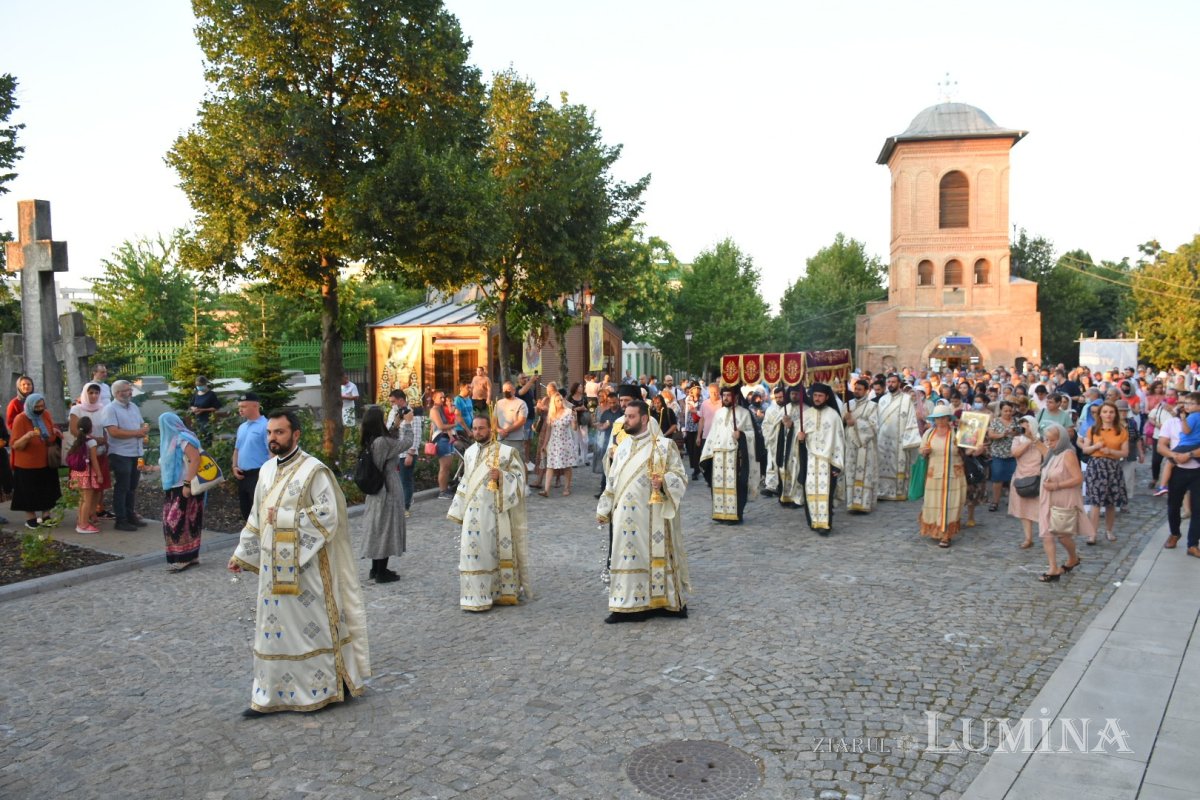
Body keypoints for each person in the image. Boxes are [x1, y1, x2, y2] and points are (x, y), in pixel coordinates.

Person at [228, 410, 369, 717]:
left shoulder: (314, 471)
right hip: (271, 570)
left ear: (296, 435)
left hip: (307, 570)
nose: (272, 439)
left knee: (311, 628)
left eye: (279, 432)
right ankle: (271, 694)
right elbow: (256, 516)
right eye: (269, 433)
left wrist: (284, 518)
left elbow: (328, 515)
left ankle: (326, 687)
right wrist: (243, 552)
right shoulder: (265, 471)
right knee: (273, 629)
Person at [596, 399, 690, 623]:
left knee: (655, 556)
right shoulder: (623, 446)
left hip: (652, 514)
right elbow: (613, 480)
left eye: (631, 417)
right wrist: (604, 506)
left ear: (644, 419)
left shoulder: (664, 446)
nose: (626, 421)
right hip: (624, 518)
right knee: (625, 558)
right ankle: (624, 605)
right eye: (626, 416)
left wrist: (664, 483)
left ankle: (662, 602)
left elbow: (680, 476)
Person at [448, 414, 531, 611]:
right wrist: (458, 509)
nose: (477, 432)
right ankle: (473, 596)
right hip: (472, 514)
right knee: (472, 553)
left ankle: (497, 592)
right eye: (474, 428)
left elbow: (520, 479)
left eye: (481, 428)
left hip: (495, 512)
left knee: (490, 552)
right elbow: (465, 482)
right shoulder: (468, 453)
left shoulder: (506, 453)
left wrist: (502, 476)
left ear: (490, 429)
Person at [359, 405, 411, 583]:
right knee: (386, 528)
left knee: (378, 526)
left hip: (376, 490)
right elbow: (405, 443)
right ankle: (381, 572)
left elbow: (389, 442)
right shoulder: (382, 442)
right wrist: (408, 424)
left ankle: (376, 569)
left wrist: (396, 425)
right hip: (387, 487)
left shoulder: (372, 439)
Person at [1036, 423, 1093, 582]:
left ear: (1061, 439)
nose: (1049, 443)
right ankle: (1053, 568)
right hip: (1048, 498)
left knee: (1062, 536)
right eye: (1047, 440)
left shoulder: (1068, 453)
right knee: (1046, 534)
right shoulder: (1052, 453)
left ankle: (1073, 558)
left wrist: (1056, 485)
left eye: (1052, 440)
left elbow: (1078, 478)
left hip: (1063, 498)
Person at [699, 385, 756, 524]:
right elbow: (713, 433)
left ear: (735, 397)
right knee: (718, 484)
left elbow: (752, 434)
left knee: (736, 485)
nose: (725, 398)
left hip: (735, 455)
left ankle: (735, 514)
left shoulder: (744, 413)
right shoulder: (718, 413)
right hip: (718, 455)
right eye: (723, 395)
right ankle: (720, 513)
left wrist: (741, 435)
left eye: (728, 395)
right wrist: (707, 453)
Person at [101, 380, 151, 531]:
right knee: (122, 486)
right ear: (117, 393)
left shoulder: (133, 406)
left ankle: (130, 515)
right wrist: (137, 433)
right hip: (120, 453)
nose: (130, 392)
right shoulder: (110, 409)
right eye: (127, 390)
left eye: (130, 390)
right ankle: (120, 519)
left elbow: (142, 425)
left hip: (136, 452)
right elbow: (114, 432)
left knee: (132, 485)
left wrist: (144, 430)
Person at [158, 412, 204, 572]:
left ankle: (185, 557)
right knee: (175, 522)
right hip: (173, 487)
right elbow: (169, 465)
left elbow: (195, 459)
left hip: (186, 486)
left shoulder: (183, 438)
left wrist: (187, 484)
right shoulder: (169, 441)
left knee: (179, 522)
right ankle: (188, 556)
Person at [10, 393, 63, 529]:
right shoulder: (20, 419)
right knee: (28, 491)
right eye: (37, 407)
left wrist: (55, 432)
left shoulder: (45, 414)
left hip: (46, 460)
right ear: (30, 406)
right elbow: (15, 445)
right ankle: (31, 517)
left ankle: (46, 515)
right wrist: (27, 436)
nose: (39, 409)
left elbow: (50, 433)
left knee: (47, 489)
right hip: (27, 463)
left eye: (42, 406)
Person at [797, 383, 845, 533]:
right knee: (810, 491)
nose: (817, 399)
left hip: (828, 461)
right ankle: (813, 521)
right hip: (810, 460)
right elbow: (799, 440)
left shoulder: (833, 415)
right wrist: (800, 438)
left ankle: (825, 524)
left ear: (827, 397)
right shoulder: (806, 414)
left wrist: (837, 464)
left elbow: (839, 440)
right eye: (815, 395)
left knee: (826, 495)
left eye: (820, 396)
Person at [917, 405, 967, 548]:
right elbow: (922, 450)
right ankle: (936, 530)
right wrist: (925, 451)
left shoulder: (957, 432)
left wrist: (977, 447)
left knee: (951, 505)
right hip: (934, 476)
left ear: (948, 419)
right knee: (933, 504)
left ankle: (946, 535)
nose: (940, 420)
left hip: (954, 476)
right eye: (937, 418)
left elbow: (968, 451)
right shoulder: (929, 433)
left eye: (943, 417)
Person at [1079, 401, 1128, 544]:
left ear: (1115, 414)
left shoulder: (1121, 431)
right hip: (1096, 466)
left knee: (1111, 501)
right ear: (1100, 414)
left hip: (1113, 466)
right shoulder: (1093, 429)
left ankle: (1109, 530)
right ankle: (1092, 533)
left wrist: (1111, 451)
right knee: (1095, 501)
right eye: (1105, 412)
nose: (1108, 415)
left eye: (1111, 412)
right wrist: (1096, 446)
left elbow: (1125, 452)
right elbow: (1085, 450)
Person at [1157, 394, 1200, 555]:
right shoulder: (1171, 423)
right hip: (1178, 469)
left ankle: (1193, 544)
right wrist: (1175, 456)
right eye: (1182, 403)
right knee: (1173, 505)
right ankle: (1174, 533)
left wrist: (1189, 455)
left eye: (1188, 403)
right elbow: (1161, 446)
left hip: (1197, 470)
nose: (1185, 406)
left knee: (1198, 509)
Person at [69, 382, 112, 520]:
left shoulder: (103, 408)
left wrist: (104, 440)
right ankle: (82, 516)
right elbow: (74, 430)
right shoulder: (77, 409)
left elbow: (106, 427)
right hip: (85, 453)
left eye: (96, 393)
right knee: (87, 488)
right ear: (85, 393)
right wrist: (92, 439)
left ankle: (93, 512)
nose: (94, 396)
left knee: (99, 485)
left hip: (100, 451)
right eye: (91, 392)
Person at [876, 374, 921, 501]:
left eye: (893, 382)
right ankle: (881, 491)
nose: (890, 384)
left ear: (899, 383)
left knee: (898, 465)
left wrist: (909, 438)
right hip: (882, 440)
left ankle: (898, 491)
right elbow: (877, 420)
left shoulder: (907, 400)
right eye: (888, 382)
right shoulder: (882, 400)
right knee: (882, 464)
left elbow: (911, 419)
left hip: (900, 439)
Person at [843, 378, 880, 514]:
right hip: (850, 445)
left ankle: (864, 504)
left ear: (866, 391)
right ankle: (851, 504)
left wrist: (855, 423)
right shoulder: (847, 404)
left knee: (865, 474)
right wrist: (845, 419)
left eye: (860, 389)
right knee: (851, 472)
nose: (857, 391)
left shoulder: (872, 406)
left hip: (866, 446)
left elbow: (874, 426)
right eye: (855, 388)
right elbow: (841, 425)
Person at [232, 392, 270, 522]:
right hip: (242, 476)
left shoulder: (266, 426)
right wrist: (234, 466)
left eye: (243, 406)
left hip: (258, 474)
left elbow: (271, 452)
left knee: (259, 512)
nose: (240, 410)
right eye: (239, 407)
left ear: (255, 406)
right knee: (246, 511)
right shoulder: (242, 427)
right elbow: (237, 449)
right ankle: (251, 540)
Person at [1008, 415, 1045, 548]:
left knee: (1041, 508)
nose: (1025, 426)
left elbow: (1046, 454)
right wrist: (1028, 441)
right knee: (1023, 509)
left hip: (1037, 476)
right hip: (1021, 476)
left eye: (1027, 423)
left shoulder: (1041, 438)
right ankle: (1028, 538)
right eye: (1022, 423)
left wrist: (1034, 439)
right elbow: (1015, 453)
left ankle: (1046, 535)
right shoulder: (1017, 439)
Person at [67, 417, 104, 534]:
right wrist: (99, 475)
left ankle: (80, 521)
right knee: (87, 500)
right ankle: (83, 525)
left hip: (77, 473)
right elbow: (94, 460)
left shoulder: (78, 441)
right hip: (87, 474)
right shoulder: (91, 442)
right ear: (91, 428)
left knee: (81, 500)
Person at [385, 389, 419, 516]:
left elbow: (416, 434)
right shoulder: (392, 412)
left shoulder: (411, 412)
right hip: (394, 452)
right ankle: (397, 505)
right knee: (395, 481)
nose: (392, 404)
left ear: (400, 400)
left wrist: (411, 453)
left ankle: (405, 507)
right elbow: (389, 430)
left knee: (405, 480)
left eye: (393, 401)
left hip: (406, 452)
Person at [540, 390, 578, 497]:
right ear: (554, 403)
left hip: (565, 443)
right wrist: (545, 444)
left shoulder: (568, 411)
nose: (561, 402)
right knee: (550, 466)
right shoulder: (551, 414)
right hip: (554, 443)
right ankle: (546, 490)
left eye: (561, 400)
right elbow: (548, 431)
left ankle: (567, 488)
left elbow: (574, 428)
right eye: (558, 401)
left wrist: (575, 419)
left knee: (567, 466)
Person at [986, 401, 1022, 512]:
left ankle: (1013, 503)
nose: (1008, 413)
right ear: (1001, 410)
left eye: (1010, 411)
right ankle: (995, 502)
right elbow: (991, 435)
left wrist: (1016, 432)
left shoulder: (1016, 421)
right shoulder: (996, 421)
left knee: (1014, 480)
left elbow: (1021, 433)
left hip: (1013, 454)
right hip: (998, 454)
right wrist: (1003, 434)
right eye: (1005, 410)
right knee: (997, 479)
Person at [776, 385, 807, 507]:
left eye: (797, 394)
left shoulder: (806, 409)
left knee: (797, 469)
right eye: (792, 393)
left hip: (798, 447)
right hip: (784, 445)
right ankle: (786, 496)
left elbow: (807, 426)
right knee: (785, 469)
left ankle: (798, 498)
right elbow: (775, 426)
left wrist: (792, 424)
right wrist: (782, 424)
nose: (794, 396)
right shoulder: (786, 408)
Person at [428, 390, 457, 499]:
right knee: (444, 466)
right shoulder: (434, 410)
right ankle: (442, 491)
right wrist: (454, 424)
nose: (443, 399)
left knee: (448, 466)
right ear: (434, 398)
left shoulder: (441, 409)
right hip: (441, 438)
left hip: (446, 438)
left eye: (443, 397)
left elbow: (450, 415)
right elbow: (441, 426)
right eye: (440, 397)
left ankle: (445, 489)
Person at [760, 386, 788, 497]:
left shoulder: (789, 408)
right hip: (773, 440)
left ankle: (784, 487)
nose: (779, 399)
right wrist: (768, 436)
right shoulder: (771, 409)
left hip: (786, 440)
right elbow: (765, 425)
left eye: (781, 397)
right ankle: (771, 486)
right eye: (777, 397)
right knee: (771, 463)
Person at [1116, 400, 1143, 510]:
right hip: (1116, 453)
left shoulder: (1132, 423)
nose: (1123, 413)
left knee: (1128, 478)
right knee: (1116, 478)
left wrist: (1140, 453)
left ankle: (1125, 501)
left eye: (1125, 411)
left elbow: (1137, 438)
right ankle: (1116, 500)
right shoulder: (1112, 423)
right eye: (1120, 411)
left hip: (1130, 453)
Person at [188, 375, 223, 447]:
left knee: (206, 441)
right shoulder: (196, 393)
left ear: (205, 384)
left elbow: (216, 407)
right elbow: (191, 404)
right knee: (197, 440)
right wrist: (193, 408)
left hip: (207, 421)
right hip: (197, 420)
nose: (199, 387)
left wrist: (202, 410)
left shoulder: (211, 394)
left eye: (200, 385)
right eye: (197, 385)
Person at [682, 383, 704, 480]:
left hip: (699, 426)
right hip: (690, 426)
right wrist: (685, 427)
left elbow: (701, 412)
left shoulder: (702, 399)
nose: (696, 390)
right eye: (694, 388)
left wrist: (695, 410)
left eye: (698, 388)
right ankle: (694, 466)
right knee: (690, 448)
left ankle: (696, 469)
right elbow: (688, 412)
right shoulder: (688, 399)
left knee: (697, 448)